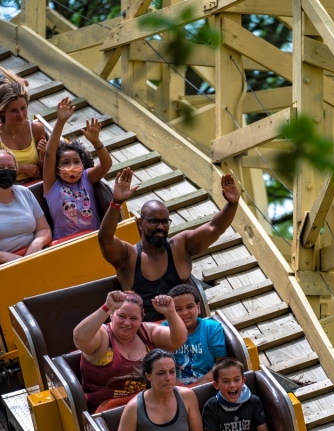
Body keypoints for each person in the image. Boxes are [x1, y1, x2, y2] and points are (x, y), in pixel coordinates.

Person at [98, 168, 241, 322]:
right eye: (154, 221)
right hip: (148, 335)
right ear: (140, 223)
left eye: (165, 222)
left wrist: (232, 204)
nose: (160, 227)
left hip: (185, 330)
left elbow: (214, 228)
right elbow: (105, 239)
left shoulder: (181, 246)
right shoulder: (129, 256)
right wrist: (116, 203)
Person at [73, 291, 187, 412]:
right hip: (109, 412)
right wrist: (107, 307)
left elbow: (178, 340)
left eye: (133, 318)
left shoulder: (146, 332)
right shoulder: (102, 336)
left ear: (141, 319)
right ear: (112, 315)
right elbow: (79, 338)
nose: (127, 323)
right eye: (122, 316)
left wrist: (170, 312)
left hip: (150, 405)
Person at [43, 97, 112, 244]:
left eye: (76, 161)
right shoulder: (52, 185)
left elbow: (106, 165)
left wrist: (96, 142)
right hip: (65, 244)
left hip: (93, 239)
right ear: (56, 168)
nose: (72, 166)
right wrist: (61, 121)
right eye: (65, 163)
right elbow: (49, 154)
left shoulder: (86, 178)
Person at [0, 80, 47, 182]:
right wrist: (20, 169)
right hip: (6, 188)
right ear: (3, 113)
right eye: (13, 111)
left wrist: (44, 155)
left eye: (23, 108)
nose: (20, 114)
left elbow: (44, 172)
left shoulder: (37, 128)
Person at [163, 284, 225, 386]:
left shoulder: (212, 328)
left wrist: (201, 385)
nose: (184, 313)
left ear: (198, 308)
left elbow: (221, 362)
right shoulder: (164, 329)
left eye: (189, 307)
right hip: (175, 386)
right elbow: (160, 365)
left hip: (208, 383)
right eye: (178, 309)